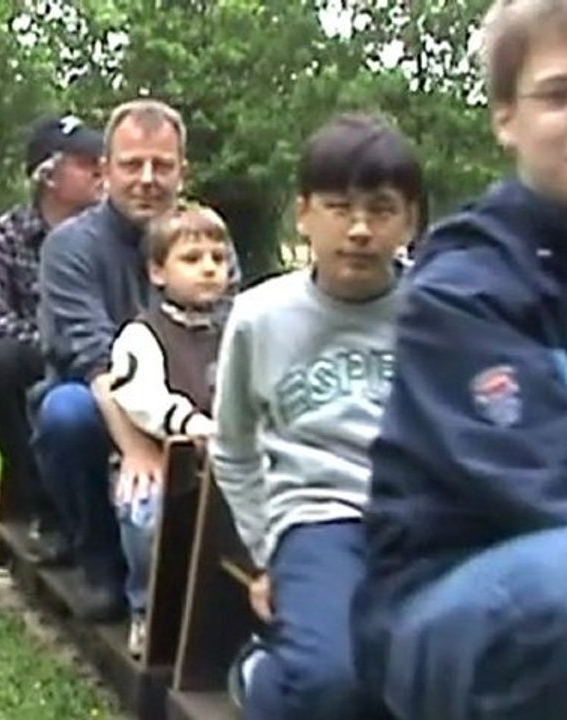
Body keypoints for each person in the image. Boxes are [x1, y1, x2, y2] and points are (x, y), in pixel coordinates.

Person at [352, 3, 567, 719]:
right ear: (506, 116)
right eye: (561, 95)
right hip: (459, 600)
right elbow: (541, 489)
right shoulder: (464, 288)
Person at [211, 113, 423, 720]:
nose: (358, 229)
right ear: (303, 213)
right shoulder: (260, 317)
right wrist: (267, 548)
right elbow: (233, 446)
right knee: (334, 679)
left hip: (416, 519)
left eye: (381, 210)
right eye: (338, 207)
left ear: (408, 219)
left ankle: (271, 679)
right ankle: (275, 669)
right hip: (317, 520)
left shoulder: (435, 311)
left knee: (421, 675)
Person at [33, 99, 195, 620]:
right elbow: (96, 359)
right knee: (66, 413)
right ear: (106, 172)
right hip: (99, 404)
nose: (147, 179)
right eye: (132, 165)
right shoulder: (68, 247)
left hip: (189, 395)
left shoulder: (206, 241)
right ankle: (100, 563)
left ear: (182, 172)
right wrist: (138, 448)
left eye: (162, 165)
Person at [97, 201, 230, 657]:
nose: (209, 269)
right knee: (144, 509)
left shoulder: (237, 330)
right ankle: (146, 607)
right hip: (159, 458)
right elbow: (138, 394)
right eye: (192, 260)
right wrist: (187, 422)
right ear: (157, 272)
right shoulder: (141, 335)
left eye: (218, 258)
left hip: (226, 461)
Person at [0, 114, 103, 562]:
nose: (100, 172)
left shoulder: (108, 236)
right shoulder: (3, 237)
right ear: (48, 175)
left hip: (97, 360)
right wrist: (56, 347)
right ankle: (41, 498)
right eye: (86, 163)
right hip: (39, 358)